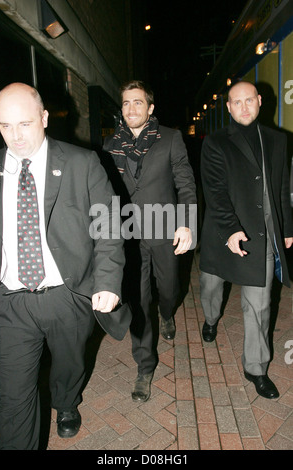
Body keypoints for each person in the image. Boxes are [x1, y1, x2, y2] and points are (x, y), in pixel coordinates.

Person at [0, 82, 127, 449]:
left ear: (44, 117)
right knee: (14, 396)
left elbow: (109, 227)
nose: (15, 136)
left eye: (24, 124)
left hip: (67, 294)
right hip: (9, 302)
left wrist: (109, 281)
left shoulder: (82, 163)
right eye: (5, 126)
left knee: (68, 364)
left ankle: (66, 403)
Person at [103, 80, 197, 402]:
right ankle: (145, 366)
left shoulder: (170, 138)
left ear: (150, 107)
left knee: (169, 289)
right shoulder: (109, 145)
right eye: (126, 103)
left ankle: (168, 312)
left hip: (165, 230)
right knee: (139, 302)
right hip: (129, 237)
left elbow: (185, 184)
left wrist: (186, 224)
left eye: (138, 103)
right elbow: (105, 193)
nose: (131, 109)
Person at [199, 81, 293, 399]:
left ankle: (256, 367)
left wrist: (288, 228)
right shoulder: (215, 142)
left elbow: (281, 189)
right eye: (236, 102)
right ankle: (211, 318)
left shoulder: (278, 140)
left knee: (260, 305)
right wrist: (230, 229)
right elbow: (214, 191)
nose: (243, 107)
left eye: (248, 100)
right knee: (212, 287)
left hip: (262, 235)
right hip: (223, 233)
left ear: (259, 101)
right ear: (228, 107)